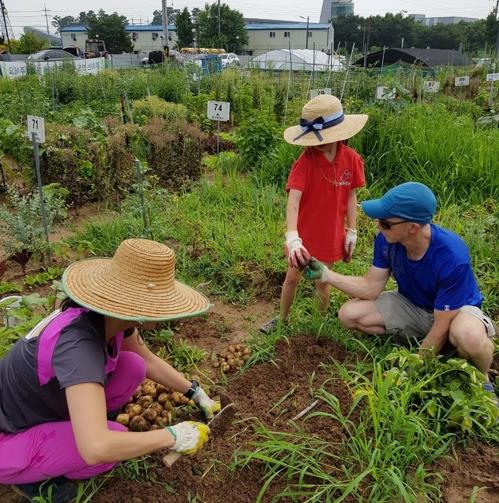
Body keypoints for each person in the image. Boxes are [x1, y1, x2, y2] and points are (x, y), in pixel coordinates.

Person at [0, 239, 220, 502]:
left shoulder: (108, 319)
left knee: (133, 366)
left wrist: (195, 392)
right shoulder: (78, 347)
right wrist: (172, 436)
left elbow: (148, 362)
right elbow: (96, 448)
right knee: (106, 450)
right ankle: (35, 480)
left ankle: (77, 431)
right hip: (9, 440)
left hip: (39, 410)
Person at [303, 182, 498, 403]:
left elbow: (442, 323)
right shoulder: (387, 241)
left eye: (385, 223)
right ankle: (435, 347)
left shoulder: (452, 255)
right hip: (413, 305)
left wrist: (408, 373)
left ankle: (482, 376)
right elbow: (370, 286)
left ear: (412, 227)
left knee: (469, 337)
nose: (378, 227)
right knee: (349, 314)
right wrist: (326, 275)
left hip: (455, 313)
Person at [260, 94, 368, 333]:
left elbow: (351, 196)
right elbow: (293, 202)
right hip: (305, 235)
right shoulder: (304, 164)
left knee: (323, 281)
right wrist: (292, 237)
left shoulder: (351, 160)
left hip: (331, 234)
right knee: (292, 278)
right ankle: (282, 319)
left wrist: (352, 230)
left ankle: (316, 326)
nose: (319, 143)